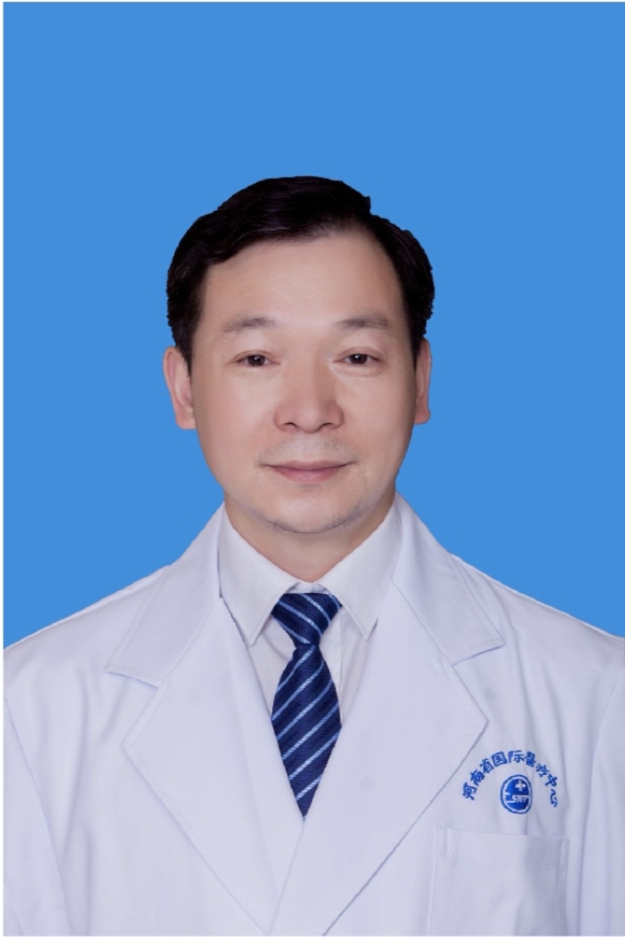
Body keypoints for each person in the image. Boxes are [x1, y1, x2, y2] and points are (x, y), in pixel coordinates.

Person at [4, 176, 623, 937]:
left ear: (420, 380)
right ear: (184, 388)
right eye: (256, 357)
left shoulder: (592, 694)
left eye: (357, 355)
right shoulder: (32, 707)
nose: (309, 410)